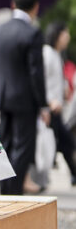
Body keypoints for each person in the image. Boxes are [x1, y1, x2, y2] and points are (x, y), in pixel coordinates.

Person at [0, 0, 48, 195]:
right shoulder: (32, 33)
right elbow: (35, 73)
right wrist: (43, 104)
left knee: (5, 144)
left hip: (3, 98)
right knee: (23, 147)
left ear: (13, 4)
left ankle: (5, 189)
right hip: (25, 100)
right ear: (36, 7)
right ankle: (14, 191)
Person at [41, 21, 76, 186]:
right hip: (49, 109)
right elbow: (40, 81)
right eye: (65, 33)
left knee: (65, 143)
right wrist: (49, 101)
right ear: (57, 35)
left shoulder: (57, 54)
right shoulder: (47, 54)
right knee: (65, 142)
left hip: (56, 109)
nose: (68, 37)